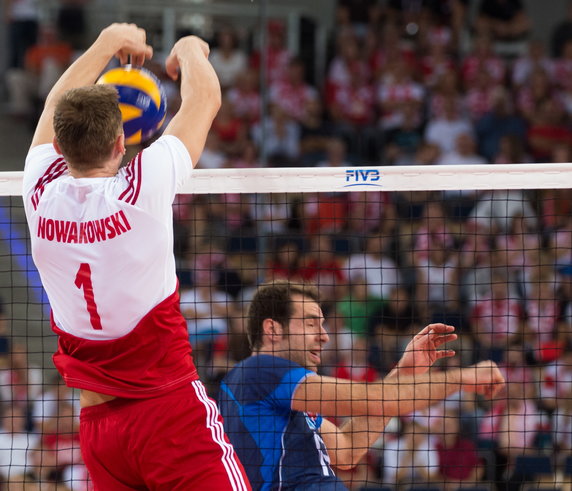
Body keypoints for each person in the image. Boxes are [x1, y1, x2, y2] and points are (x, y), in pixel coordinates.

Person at [22, 23, 250, 490]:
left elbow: (53, 106)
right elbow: (204, 101)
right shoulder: (139, 189)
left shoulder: (39, 192)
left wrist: (105, 44)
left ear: (60, 148)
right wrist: (188, 49)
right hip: (168, 415)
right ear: (121, 143)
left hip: (99, 431)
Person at [218, 280, 505, 490]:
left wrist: (405, 372)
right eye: (310, 324)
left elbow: (347, 449)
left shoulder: (280, 393)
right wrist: (461, 377)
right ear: (272, 329)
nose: (324, 336)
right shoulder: (259, 371)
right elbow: (375, 399)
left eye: (324, 324)